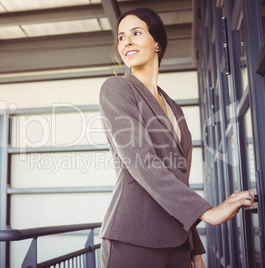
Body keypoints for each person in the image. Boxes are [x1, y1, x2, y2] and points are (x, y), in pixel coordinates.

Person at [98, 7, 255, 268]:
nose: (126, 42)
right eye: (121, 36)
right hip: (133, 241)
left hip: (178, 243)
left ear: (157, 43)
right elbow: (142, 163)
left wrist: (194, 250)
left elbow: (178, 180)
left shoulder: (174, 107)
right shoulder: (116, 88)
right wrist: (209, 212)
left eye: (136, 33)